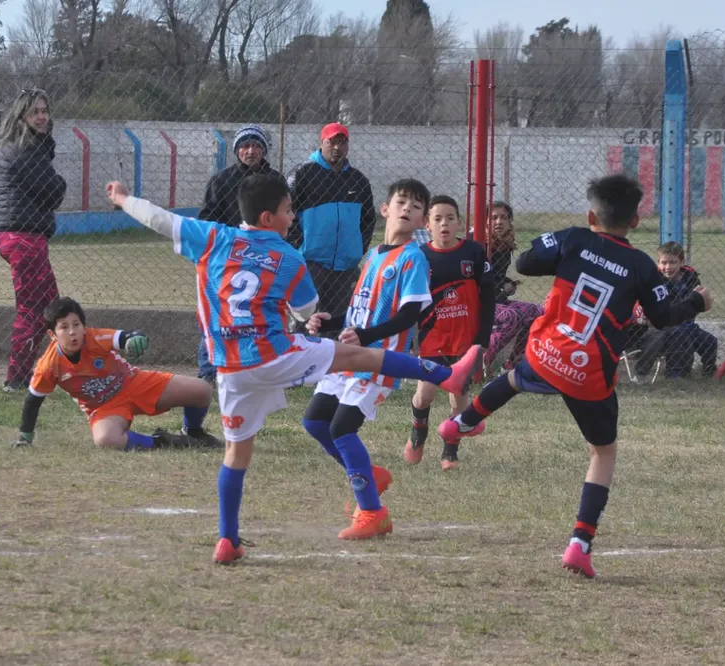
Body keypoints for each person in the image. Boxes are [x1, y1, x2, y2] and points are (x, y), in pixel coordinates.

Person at [105, 174, 480, 564]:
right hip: (275, 353)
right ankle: (442, 376)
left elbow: (161, 219)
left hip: (230, 369)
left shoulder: (213, 237)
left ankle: (228, 539)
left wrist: (125, 199)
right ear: (269, 217)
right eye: (288, 209)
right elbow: (304, 309)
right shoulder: (288, 256)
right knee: (352, 360)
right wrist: (308, 316)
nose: (293, 215)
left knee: (236, 454)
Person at [438, 174, 713, 578]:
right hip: (589, 372)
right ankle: (579, 546)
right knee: (603, 453)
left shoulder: (573, 238)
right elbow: (663, 317)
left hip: (547, 352)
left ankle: (460, 422)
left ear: (590, 215)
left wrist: (560, 244)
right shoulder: (640, 265)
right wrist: (696, 302)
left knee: (517, 377)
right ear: (635, 222)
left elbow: (525, 262)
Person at [302, 180, 459, 537]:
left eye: (416, 207)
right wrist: (331, 320)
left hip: (378, 362)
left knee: (342, 428)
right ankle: (369, 476)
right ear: (385, 209)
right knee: (315, 422)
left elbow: (408, 317)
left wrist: (367, 338)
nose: (407, 209)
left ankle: (373, 513)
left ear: (422, 221)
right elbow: (360, 309)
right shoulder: (373, 255)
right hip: (350, 356)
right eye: (401, 202)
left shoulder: (413, 258)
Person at [12, 297, 221, 451]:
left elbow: (123, 336)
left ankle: (193, 431)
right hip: (104, 407)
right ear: (52, 334)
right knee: (106, 440)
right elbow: (33, 400)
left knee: (202, 390)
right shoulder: (48, 365)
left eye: (76, 325)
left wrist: (134, 339)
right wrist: (25, 437)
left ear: (84, 327)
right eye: (64, 327)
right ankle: (164, 441)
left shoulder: (94, 338)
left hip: (135, 384)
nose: (72, 332)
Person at [403, 195, 494, 470]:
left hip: (465, 340)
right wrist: (409, 337)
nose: (444, 224)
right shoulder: (420, 256)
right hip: (433, 338)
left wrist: (482, 339)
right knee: (426, 393)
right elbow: (411, 302)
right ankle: (418, 431)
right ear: (427, 225)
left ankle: (449, 451)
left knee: (460, 397)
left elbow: (488, 297)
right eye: (437, 219)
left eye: (450, 218)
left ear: (459, 223)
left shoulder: (474, 253)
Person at [196, 124, 284, 385]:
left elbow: (287, 217)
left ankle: (260, 364)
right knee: (217, 312)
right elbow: (207, 220)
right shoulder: (221, 181)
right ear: (237, 150)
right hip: (227, 262)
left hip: (265, 259)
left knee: (262, 312)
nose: (250, 151)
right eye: (245, 146)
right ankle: (210, 369)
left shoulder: (275, 181)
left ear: (264, 150)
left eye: (256, 145)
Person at [0, 88, 66, 392]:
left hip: (18, 234)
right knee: (34, 309)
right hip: (23, 236)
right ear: (21, 115)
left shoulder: (26, 147)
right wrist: (59, 181)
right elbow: (54, 191)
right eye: (35, 111)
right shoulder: (25, 149)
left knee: (53, 307)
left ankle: (62, 367)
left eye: (44, 110)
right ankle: (17, 378)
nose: (41, 116)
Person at [287, 122, 376, 331]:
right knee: (303, 321)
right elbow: (286, 212)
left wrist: (357, 249)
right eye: (332, 142)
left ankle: (334, 363)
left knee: (339, 324)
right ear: (322, 142)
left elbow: (368, 219)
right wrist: (300, 246)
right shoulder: (302, 174)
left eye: (342, 143)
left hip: (345, 266)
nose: (337, 148)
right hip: (311, 263)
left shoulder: (358, 180)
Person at [624, 242, 718, 380]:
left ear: (682, 262)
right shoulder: (653, 279)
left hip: (685, 323)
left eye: (673, 262)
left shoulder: (690, 278)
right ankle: (675, 375)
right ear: (658, 262)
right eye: (664, 262)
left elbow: (698, 304)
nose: (668, 267)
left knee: (710, 340)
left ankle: (709, 374)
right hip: (655, 327)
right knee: (679, 334)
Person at [481, 201, 543, 373]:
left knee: (538, 312)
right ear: (484, 222)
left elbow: (497, 276)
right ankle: (479, 365)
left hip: (497, 301)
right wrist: (503, 288)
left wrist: (508, 284)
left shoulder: (504, 244)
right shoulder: (478, 244)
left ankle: (512, 365)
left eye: (503, 218)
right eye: (493, 218)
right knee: (511, 316)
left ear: (510, 222)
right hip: (478, 305)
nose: (499, 222)